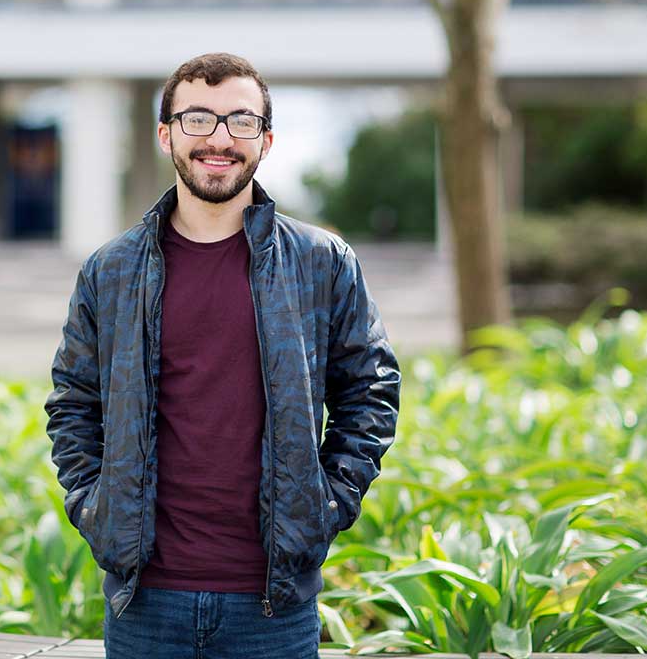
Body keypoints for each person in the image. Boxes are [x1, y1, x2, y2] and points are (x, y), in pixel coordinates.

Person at [44, 52, 401, 658]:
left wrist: (328, 506)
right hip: (145, 603)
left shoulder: (322, 263)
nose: (219, 139)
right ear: (166, 135)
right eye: (198, 119)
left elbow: (370, 394)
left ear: (265, 140)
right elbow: (74, 403)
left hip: (272, 603)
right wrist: (93, 508)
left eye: (240, 121)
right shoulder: (111, 270)